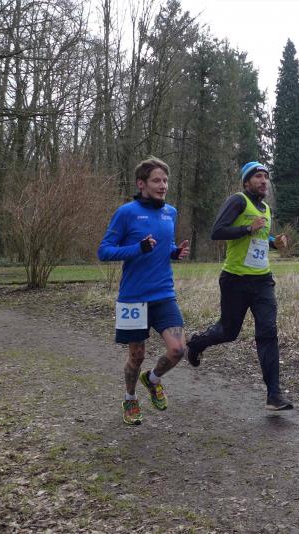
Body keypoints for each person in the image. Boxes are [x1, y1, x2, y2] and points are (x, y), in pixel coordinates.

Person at [186, 161, 293, 411]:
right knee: (229, 331)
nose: (263, 180)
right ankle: (197, 343)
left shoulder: (266, 209)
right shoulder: (238, 201)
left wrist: (274, 242)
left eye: (266, 176)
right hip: (235, 280)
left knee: (268, 332)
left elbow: (259, 238)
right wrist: (247, 228)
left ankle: (274, 395)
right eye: (258, 176)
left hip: (263, 280)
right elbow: (217, 231)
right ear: (246, 182)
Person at [98, 157, 190, 425]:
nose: (163, 186)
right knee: (136, 357)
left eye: (165, 181)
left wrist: (174, 252)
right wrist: (138, 248)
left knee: (178, 350)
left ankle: (153, 379)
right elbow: (104, 251)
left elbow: (162, 245)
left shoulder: (170, 212)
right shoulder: (126, 212)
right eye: (156, 181)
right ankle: (130, 398)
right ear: (141, 184)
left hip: (163, 294)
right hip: (133, 299)